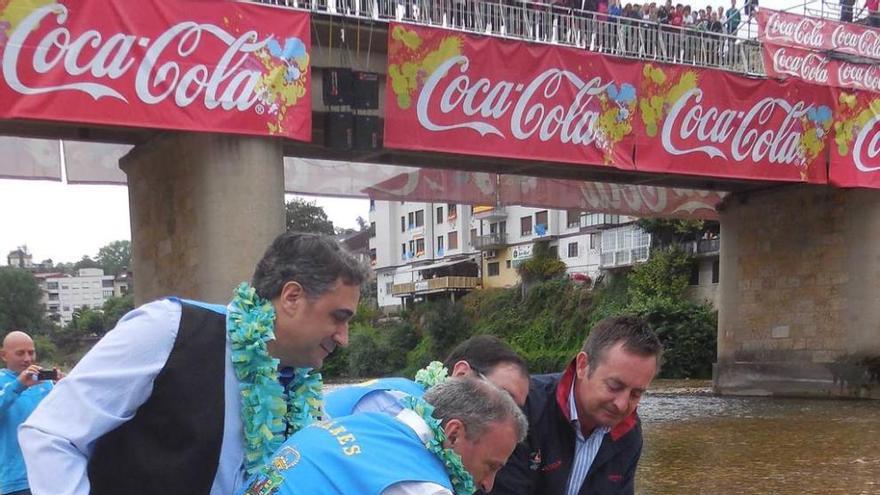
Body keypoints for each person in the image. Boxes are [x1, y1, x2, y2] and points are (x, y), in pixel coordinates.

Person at [19, 232, 369, 495]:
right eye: (338, 317)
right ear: (291, 298)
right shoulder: (169, 329)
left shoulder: (300, 389)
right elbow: (50, 434)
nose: (343, 337)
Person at [239, 377, 528, 495]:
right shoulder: (423, 488)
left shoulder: (368, 421)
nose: (488, 486)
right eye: (491, 466)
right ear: (453, 434)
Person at [489, 315, 662, 495]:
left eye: (636, 394)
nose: (622, 404)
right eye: (614, 386)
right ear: (583, 365)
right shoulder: (523, 407)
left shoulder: (629, 434)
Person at [323, 335, 529, 419]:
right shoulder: (399, 409)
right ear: (461, 374)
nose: (512, 419)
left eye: (518, 411)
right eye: (506, 399)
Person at [1, 331, 59, 495]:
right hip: (16, 481)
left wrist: (64, 389)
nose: (27, 358)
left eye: (31, 352)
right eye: (20, 353)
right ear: (4, 355)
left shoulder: (45, 383)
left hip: (49, 474)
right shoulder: (3, 381)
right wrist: (18, 385)